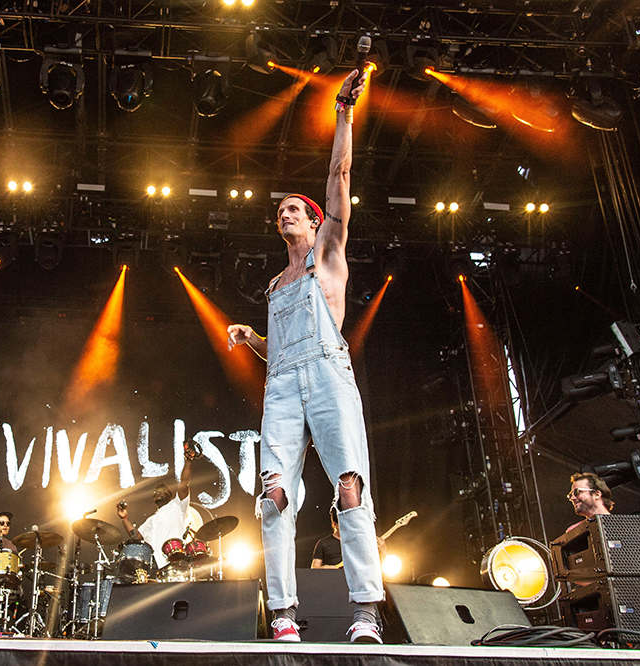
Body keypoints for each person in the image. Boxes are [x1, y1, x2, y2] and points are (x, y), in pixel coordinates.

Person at [226, 69, 383, 644]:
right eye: (280, 211)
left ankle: (367, 608)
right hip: (284, 384)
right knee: (273, 496)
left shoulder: (328, 254)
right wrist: (253, 340)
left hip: (328, 372)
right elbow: (279, 356)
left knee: (349, 486)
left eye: (294, 209)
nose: (284, 214)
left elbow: (339, 173)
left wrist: (343, 112)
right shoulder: (274, 285)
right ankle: (284, 614)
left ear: (314, 220)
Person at [117, 444, 199, 570]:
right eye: (155, 493)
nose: (158, 493)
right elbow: (136, 536)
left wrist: (188, 461)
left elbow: (184, 483)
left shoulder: (177, 505)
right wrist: (124, 518)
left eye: (162, 491)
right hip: (156, 566)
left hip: (175, 562)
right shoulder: (151, 519)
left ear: (170, 495)